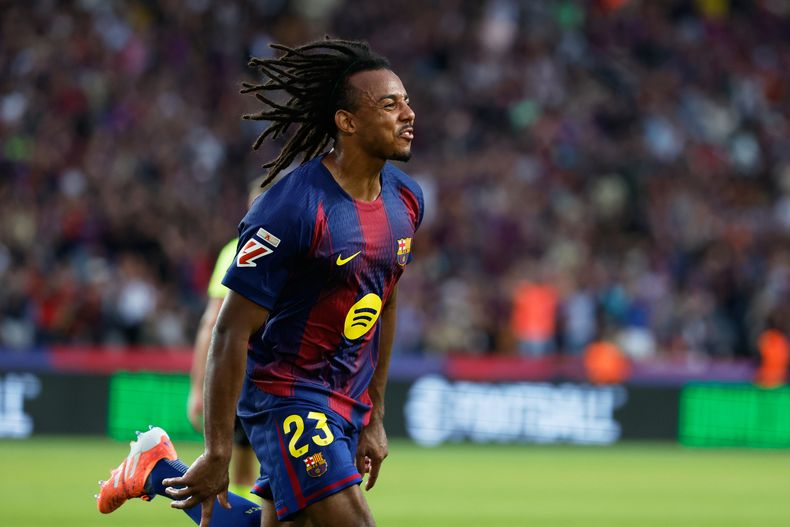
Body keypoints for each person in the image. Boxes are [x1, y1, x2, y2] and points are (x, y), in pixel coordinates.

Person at [97, 37, 421, 527]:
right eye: (390, 104)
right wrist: (218, 451)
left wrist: (374, 413)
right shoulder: (291, 207)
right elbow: (228, 329)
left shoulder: (406, 200)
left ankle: (158, 471)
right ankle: (164, 470)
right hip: (286, 394)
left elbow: (385, 300)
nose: (408, 114)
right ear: (347, 121)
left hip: (346, 397)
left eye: (407, 101)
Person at [187, 179, 267, 502]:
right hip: (256, 371)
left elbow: (211, 322)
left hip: (249, 370)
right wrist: (198, 386)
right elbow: (212, 324)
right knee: (253, 464)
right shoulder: (238, 250)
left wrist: (198, 386)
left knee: (247, 463)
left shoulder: (235, 251)